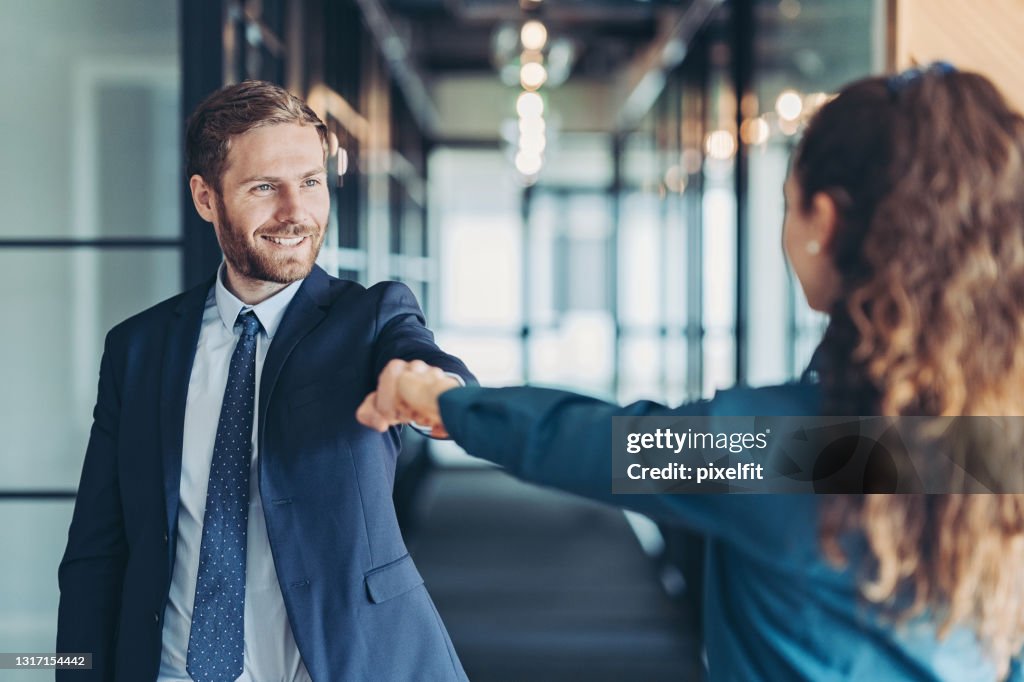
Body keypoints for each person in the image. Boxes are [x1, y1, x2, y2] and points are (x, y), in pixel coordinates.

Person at [358, 64, 1024, 680]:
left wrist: (445, 402)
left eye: (788, 202)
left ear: (826, 217)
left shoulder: (810, 453)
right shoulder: (1000, 442)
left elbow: (605, 444)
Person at [57, 80, 474, 682]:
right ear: (206, 198)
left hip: (343, 663)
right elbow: (98, 551)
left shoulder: (370, 318)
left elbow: (429, 367)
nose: (295, 213)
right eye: (263, 188)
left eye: (310, 182)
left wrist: (437, 395)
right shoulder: (139, 349)